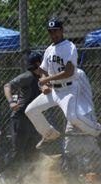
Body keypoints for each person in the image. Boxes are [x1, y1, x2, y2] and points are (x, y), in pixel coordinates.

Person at [25, 18, 101, 149]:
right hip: (54, 91)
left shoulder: (69, 47)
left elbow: (69, 72)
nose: (53, 34)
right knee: (31, 110)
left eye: (55, 31)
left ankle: (98, 131)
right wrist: (44, 84)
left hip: (69, 89)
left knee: (74, 117)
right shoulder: (49, 49)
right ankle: (50, 135)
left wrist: (46, 80)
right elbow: (43, 70)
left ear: (61, 30)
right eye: (50, 31)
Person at [3, 52, 42, 182]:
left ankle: (25, 179)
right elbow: (7, 86)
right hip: (20, 117)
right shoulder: (28, 77)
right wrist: (11, 102)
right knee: (17, 151)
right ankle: (3, 175)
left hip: (34, 118)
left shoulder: (43, 77)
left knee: (32, 150)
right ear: (37, 63)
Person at [62, 69, 101, 180]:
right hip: (72, 116)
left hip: (85, 113)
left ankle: (95, 174)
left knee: (90, 146)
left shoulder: (78, 73)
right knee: (69, 145)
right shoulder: (63, 74)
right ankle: (71, 175)